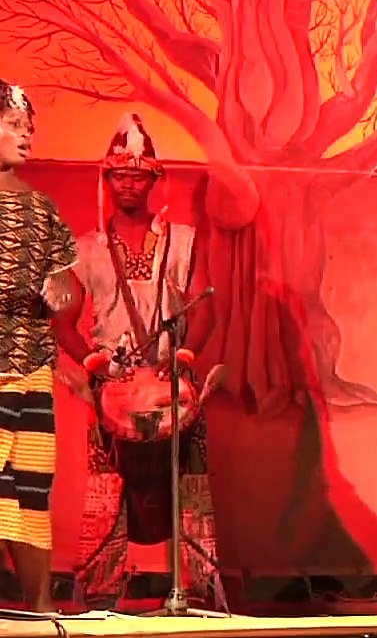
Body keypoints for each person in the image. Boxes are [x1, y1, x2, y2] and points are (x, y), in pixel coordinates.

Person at [50, 113, 224, 609]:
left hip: (175, 384)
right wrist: (95, 363)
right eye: (120, 175)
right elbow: (63, 322)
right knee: (107, 489)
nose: (129, 183)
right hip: (116, 389)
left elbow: (205, 307)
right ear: (108, 180)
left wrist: (186, 357)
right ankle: (101, 592)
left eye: (138, 175)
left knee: (190, 488)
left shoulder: (184, 240)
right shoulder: (84, 250)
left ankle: (203, 590)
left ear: (153, 180)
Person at [0, 79, 77, 614]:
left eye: (29, 129)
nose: (26, 137)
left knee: (30, 494)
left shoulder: (42, 208)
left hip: (32, 371)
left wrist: (62, 294)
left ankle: (41, 610)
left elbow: (69, 285)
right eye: (12, 126)